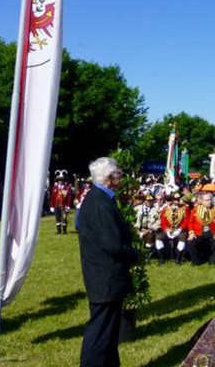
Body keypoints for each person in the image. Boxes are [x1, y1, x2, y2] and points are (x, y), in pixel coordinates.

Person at [77, 157, 139, 367]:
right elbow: (112, 243)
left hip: (104, 275)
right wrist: (134, 255)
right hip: (105, 275)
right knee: (101, 331)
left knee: (110, 331)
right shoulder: (99, 203)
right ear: (110, 177)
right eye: (118, 172)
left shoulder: (100, 199)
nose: (120, 175)